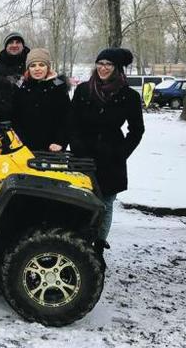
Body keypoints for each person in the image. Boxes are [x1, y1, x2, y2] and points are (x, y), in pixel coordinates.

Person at [70, 47, 145, 243]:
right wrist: (77, 146)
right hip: (83, 156)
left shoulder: (129, 96)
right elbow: (73, 122)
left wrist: (121, 153)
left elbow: (137, 130)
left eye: (108, 64)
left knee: (105, 203)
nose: (103, 68)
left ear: (117, 68)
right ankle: (78, 243)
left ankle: (99, 244)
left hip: (111, 157)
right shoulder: (83, 90)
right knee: (79, 201)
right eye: (100, 63)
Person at [11, 48, 70, 152]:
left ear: (48, 67)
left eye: (41, 65)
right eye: (33, 65)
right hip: (24, 147)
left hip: (52, 148)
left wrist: (60, 141)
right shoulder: (20, 88)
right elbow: (14, 118)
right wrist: (19, 139)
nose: (37, 69)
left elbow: (66, 119)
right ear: (28, 68)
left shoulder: (59, 88)